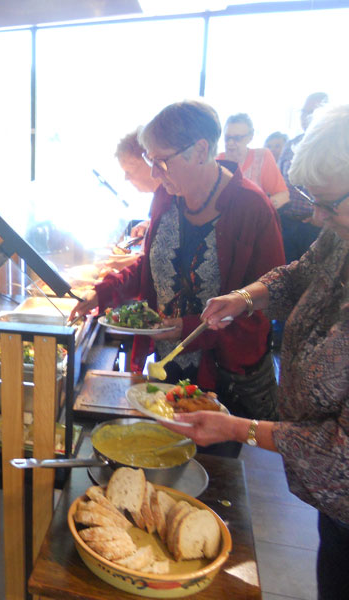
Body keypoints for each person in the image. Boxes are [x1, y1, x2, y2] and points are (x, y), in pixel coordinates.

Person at [164, 103, 349, 600]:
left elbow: (341, 452)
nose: (316, 216)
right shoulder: (341, 239)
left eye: (329, 204)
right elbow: (298, 274)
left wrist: (236, 428)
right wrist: (245, 297)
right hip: (336, 509)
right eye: (313, 201)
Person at [71, 100, 284, 424]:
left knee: (219, 456)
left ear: (200, 150)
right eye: (150, 161)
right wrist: (103, 292)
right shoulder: (166, 195)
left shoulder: (251, 207)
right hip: (169, 364)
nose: (154, 173)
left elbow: (270, 301)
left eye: (161, 161)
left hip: (230, 380)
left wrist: (189, 327)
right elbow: (153, 266)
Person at [277, 92, 328, 263]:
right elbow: (279, 182)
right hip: (286, 220)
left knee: (310, 270)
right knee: (284, 268)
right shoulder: (291, 144)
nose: (306, 117)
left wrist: (319, 218)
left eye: (311, 112)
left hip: (314, 224)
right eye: (304, 112)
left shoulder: (331, 148)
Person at [106, 127, 163, 270]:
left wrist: (115, 263)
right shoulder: (160, 199)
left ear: (149, 160)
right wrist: (149, 224)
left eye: (129, 170)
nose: (126, 178)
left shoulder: (172, 198)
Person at [217, 113, 289, 209]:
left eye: (237, 138)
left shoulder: (262, 157)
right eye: (227, 138)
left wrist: (264, 208)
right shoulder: (217, 161)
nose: (230, 143)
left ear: (250, 137)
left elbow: (283, 195)